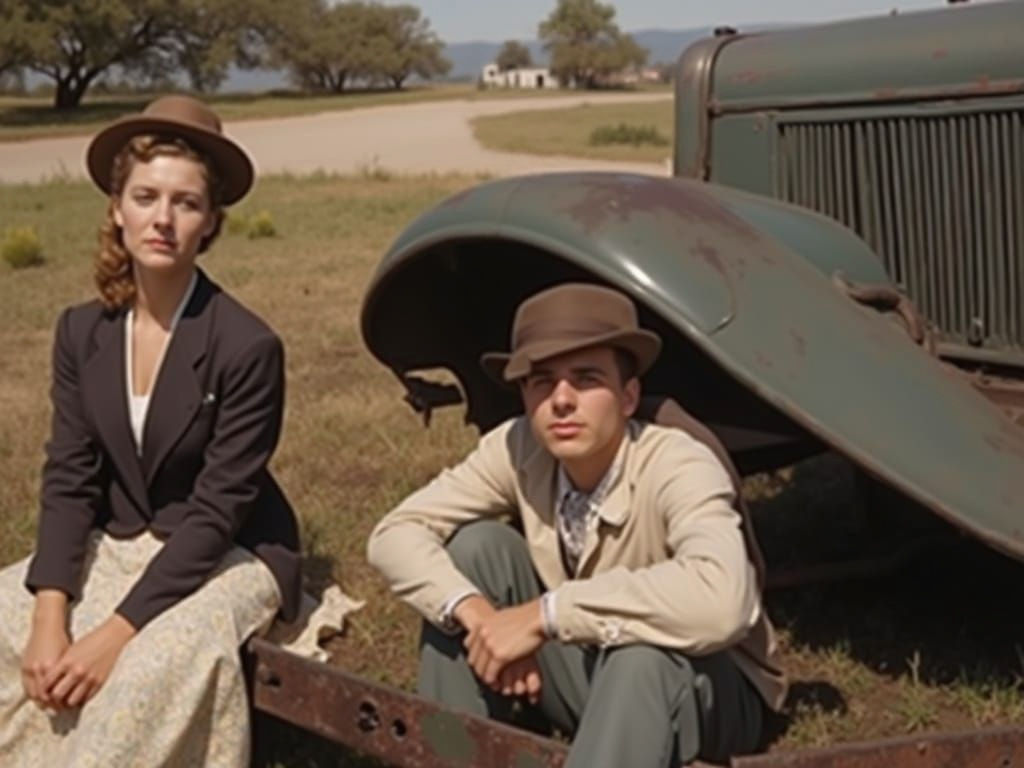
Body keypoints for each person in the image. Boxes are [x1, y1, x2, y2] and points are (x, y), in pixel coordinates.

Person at [367, 283, 786, 767]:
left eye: (586, 379)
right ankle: (452, 755)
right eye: (542, 381)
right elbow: (394, 533)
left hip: (706, 687)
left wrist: (543, 616)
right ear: (524, 396)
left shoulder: (680, 461)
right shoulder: (519, 447)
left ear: (628, 397)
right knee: (476, 550)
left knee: (641, 656)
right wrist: (481, 618)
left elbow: (722, 602)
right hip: (590, 667)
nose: (562, 400)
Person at [0, 95, 301, 767]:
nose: (162, 219)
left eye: (186, 203)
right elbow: (70, 476)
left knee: (141, 672)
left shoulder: (248, 346)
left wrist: (112, 633)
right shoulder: (81, 331)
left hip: (231, 547)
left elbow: (220, 510)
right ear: (117, 208)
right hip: (126, 530)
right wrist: (51, 614)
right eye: (145, 196)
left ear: (210, 223)